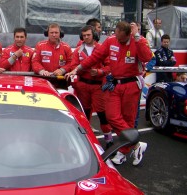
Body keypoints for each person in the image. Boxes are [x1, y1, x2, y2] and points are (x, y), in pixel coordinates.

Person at [66, 21, 153, 166]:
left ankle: (124, 151)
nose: (119, 40)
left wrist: (137, 36)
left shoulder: (139, 41)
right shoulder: (111, 40)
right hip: (115, 84)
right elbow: (95, 57)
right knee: (112, 117)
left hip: (131, 85)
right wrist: (77, 69)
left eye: (122, 39)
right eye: (116, 36)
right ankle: (136, 145)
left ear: (129, 34)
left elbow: (147, 58)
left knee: (128, 120)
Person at [70, 25, 113, 147]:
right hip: (83, 86)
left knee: (102, 114)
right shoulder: (78, 50)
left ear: (94, 35)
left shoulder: (102, 49)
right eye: (84, 35)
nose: (86, 37)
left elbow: (110, 66)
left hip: (98, 86)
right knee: (84, 115)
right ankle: (86, 142)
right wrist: (80, 72)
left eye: (88, 35)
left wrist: (100, 72)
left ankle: (109, 140)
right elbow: (73, 66)